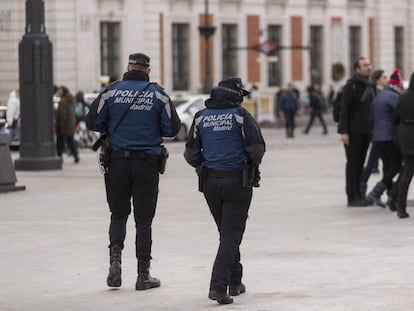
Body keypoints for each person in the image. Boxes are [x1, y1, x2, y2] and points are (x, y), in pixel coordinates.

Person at [86, 53, 181, 290]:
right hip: (146, 164)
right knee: (144, 221)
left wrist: (114, 127)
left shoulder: (110, 91)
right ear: (148, 70)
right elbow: (172, 128)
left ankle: (115, 262)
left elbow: (92, 121)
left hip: (116, 162)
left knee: (118, 215)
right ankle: (143, 275)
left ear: (128, 67)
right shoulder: (158, 94)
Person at [184, 77, 265, 305]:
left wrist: (204, 165)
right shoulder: (240, 115)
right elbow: (257, 148)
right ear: (235, 94)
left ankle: (235, 281)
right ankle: (218, 287)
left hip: (210, 181)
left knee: (226, 232)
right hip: (237, 180)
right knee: (231, 234)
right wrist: (248, 164)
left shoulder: (200, 117)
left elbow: (191, 153)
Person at [338, 57, 375, 207]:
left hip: (366, 131)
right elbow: (344, 109)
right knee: (353, 163)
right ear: (357, 69)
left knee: (361, 163)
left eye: (369, 64)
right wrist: (344, 131)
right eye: (365, 65)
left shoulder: (370, 85)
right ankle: (351, 196)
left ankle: (359, 194)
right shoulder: (351, 85)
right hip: (353, 132)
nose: (369, 67)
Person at [365, 68, 403, 209]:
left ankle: (391, 195)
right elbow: (399, 116)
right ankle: (377, 192)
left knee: (388, 167)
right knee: (397, 166)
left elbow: (371, 118)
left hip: (378, 137)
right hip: (388, 136)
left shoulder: (379, 97)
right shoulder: (393, 97)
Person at [360, 69, 388, 196]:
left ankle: (388, 191)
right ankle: (362, 187)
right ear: (377, 80)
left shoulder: (381, 92)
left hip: (379, 132)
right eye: (384, 78)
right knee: (373, 163)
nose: (386, 80)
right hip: (379, 132)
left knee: (386, 163)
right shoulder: (374, 93)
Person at [394, 72, 414, 218]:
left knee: (406, 173)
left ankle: (400, 207)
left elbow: (395, 117)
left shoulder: (402, 96)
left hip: (406, 134)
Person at [56, 85, 80, 163]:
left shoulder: (63, 101)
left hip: (64, 125)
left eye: (59, 90)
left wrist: (61, 127)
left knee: (59, 142)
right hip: (70, 124)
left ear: (63, 92)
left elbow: (62, 114)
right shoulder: (71, 100)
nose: (58, 92)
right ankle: (76, 155)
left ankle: (59, 157)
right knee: (70, 141)